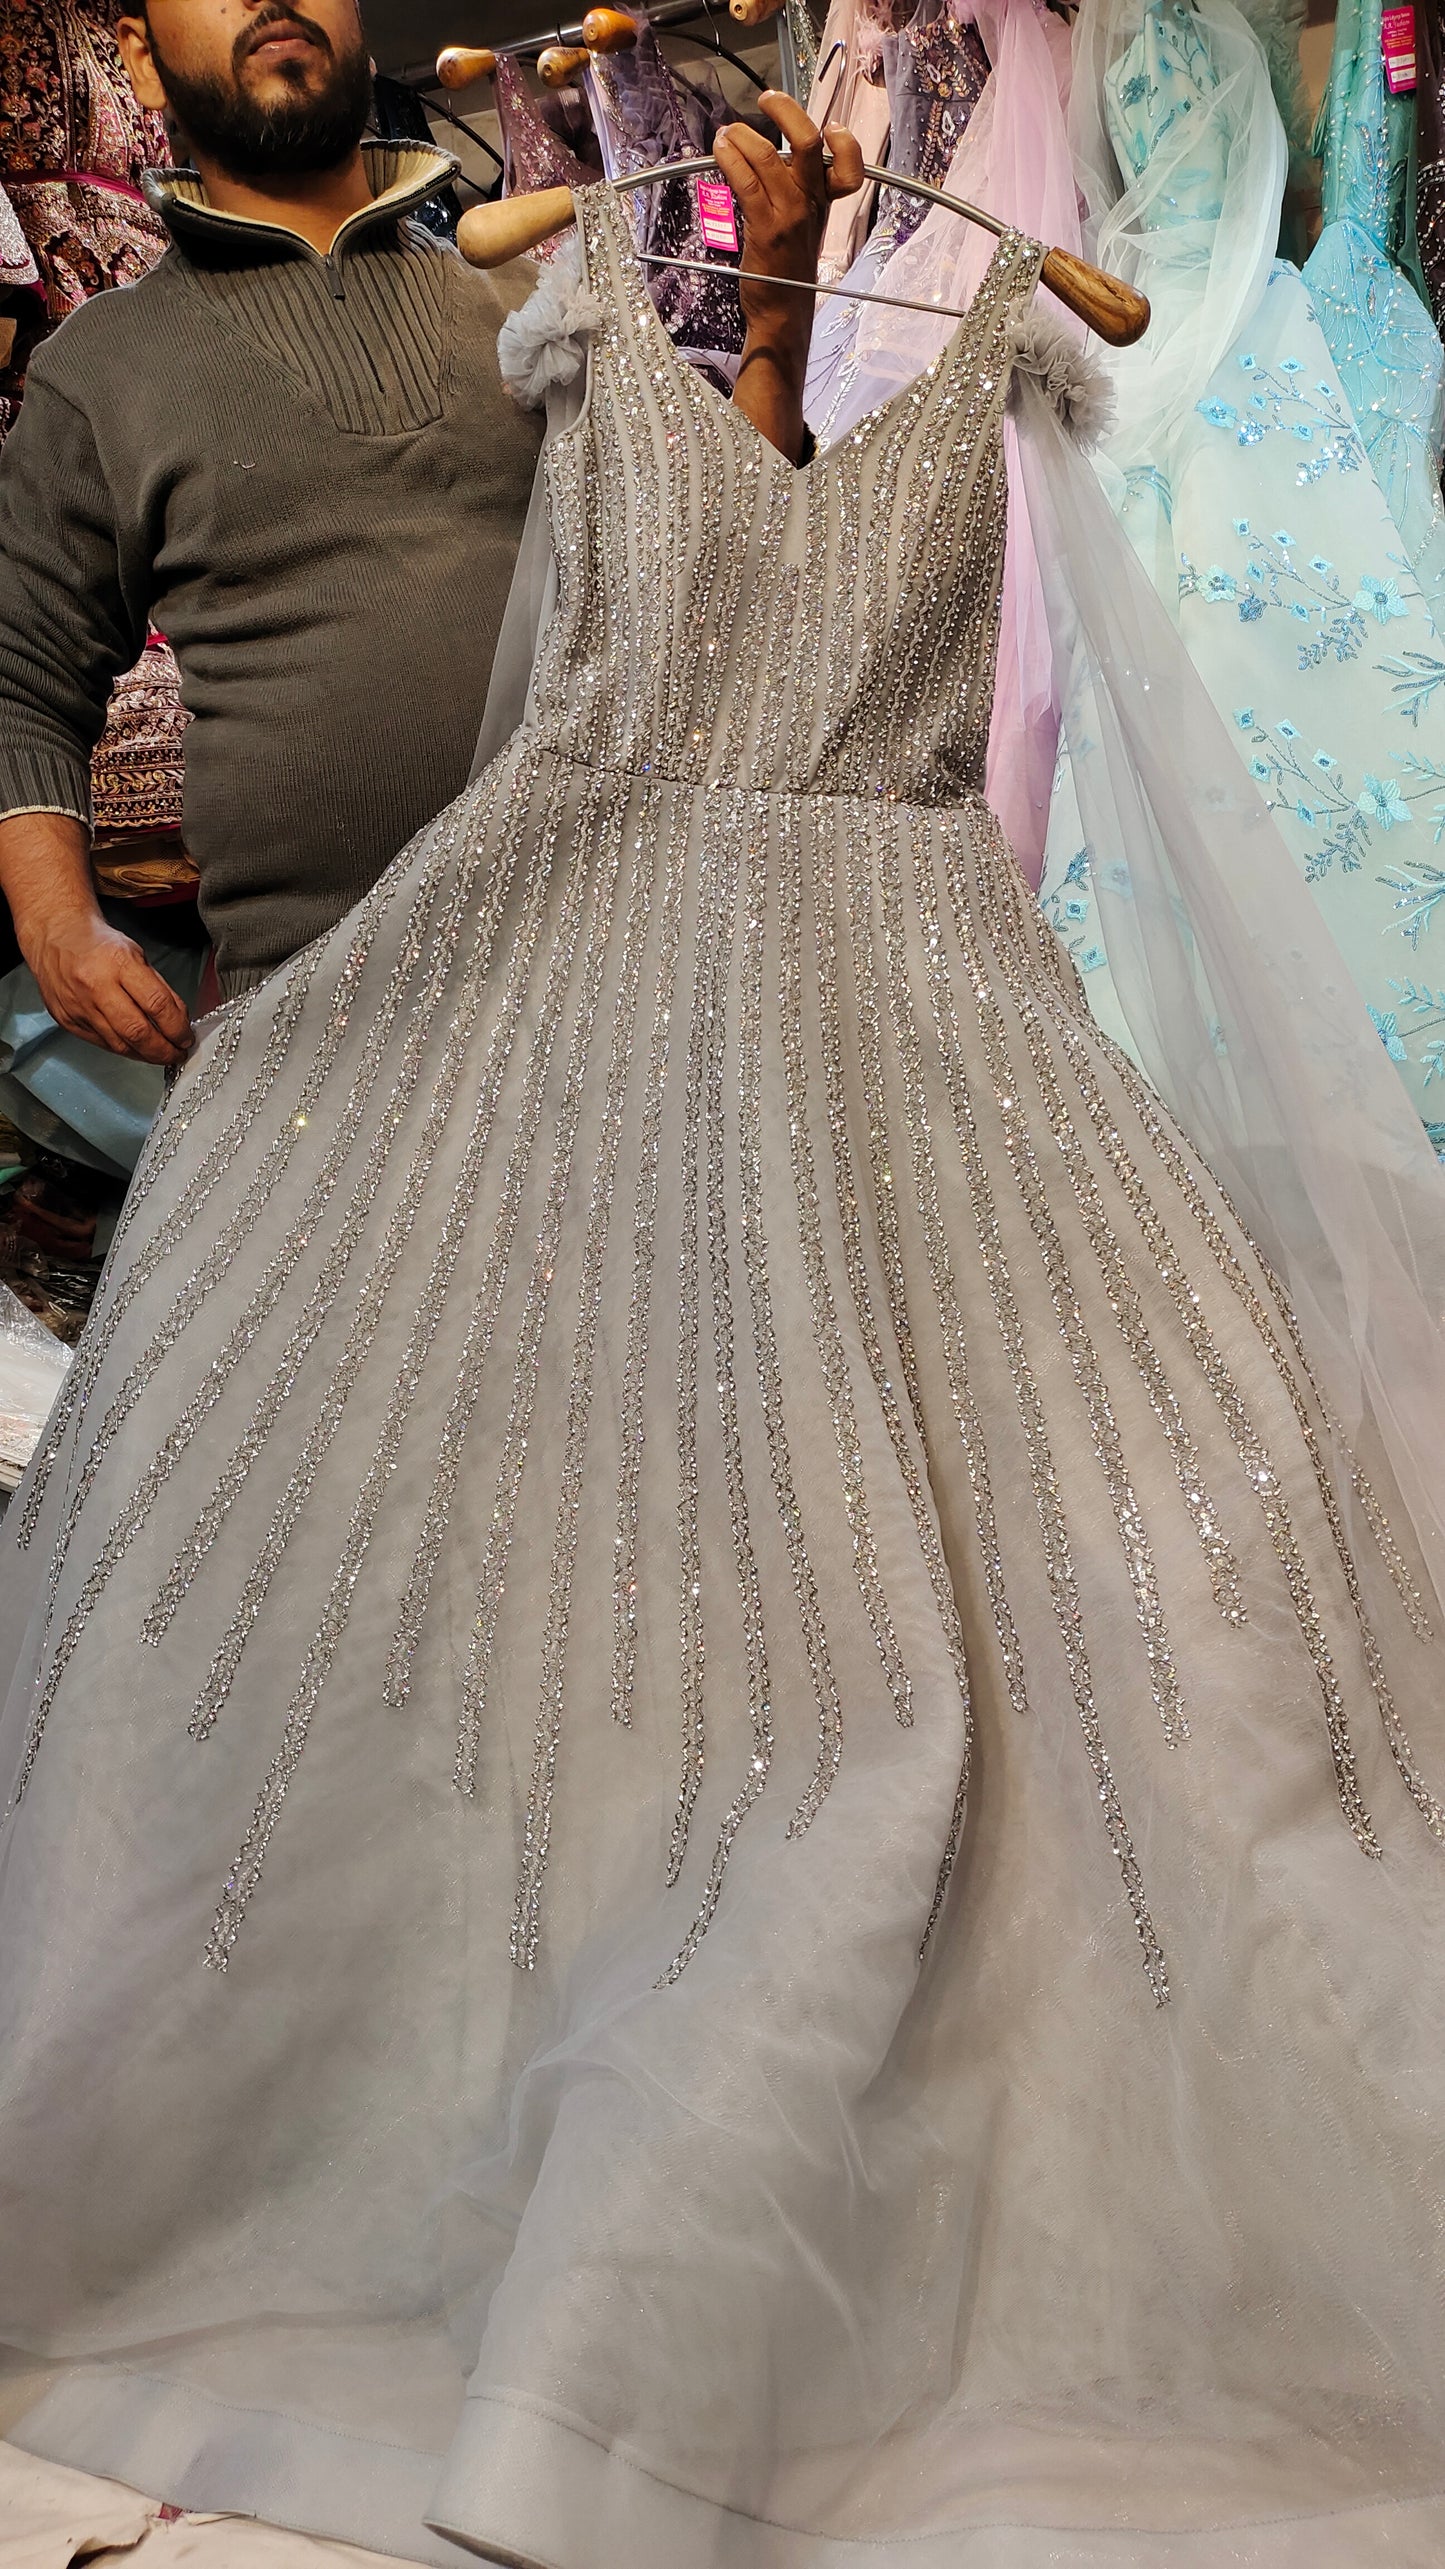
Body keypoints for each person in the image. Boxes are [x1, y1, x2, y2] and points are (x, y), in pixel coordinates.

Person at [2, 141, 1445, 2566]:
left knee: (1019, 1560)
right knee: (510, 1518)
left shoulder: (990, 344)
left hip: (907, 993)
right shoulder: (560, 293)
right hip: (571, 944)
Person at [0, 0, 856, 1068]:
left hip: (612, 1018)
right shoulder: (104, 371)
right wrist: (56, 920)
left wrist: (778, 316)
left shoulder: (530, 309)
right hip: (315, 1052)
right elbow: (24, 677)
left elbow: (718, 590)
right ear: (140, 56)